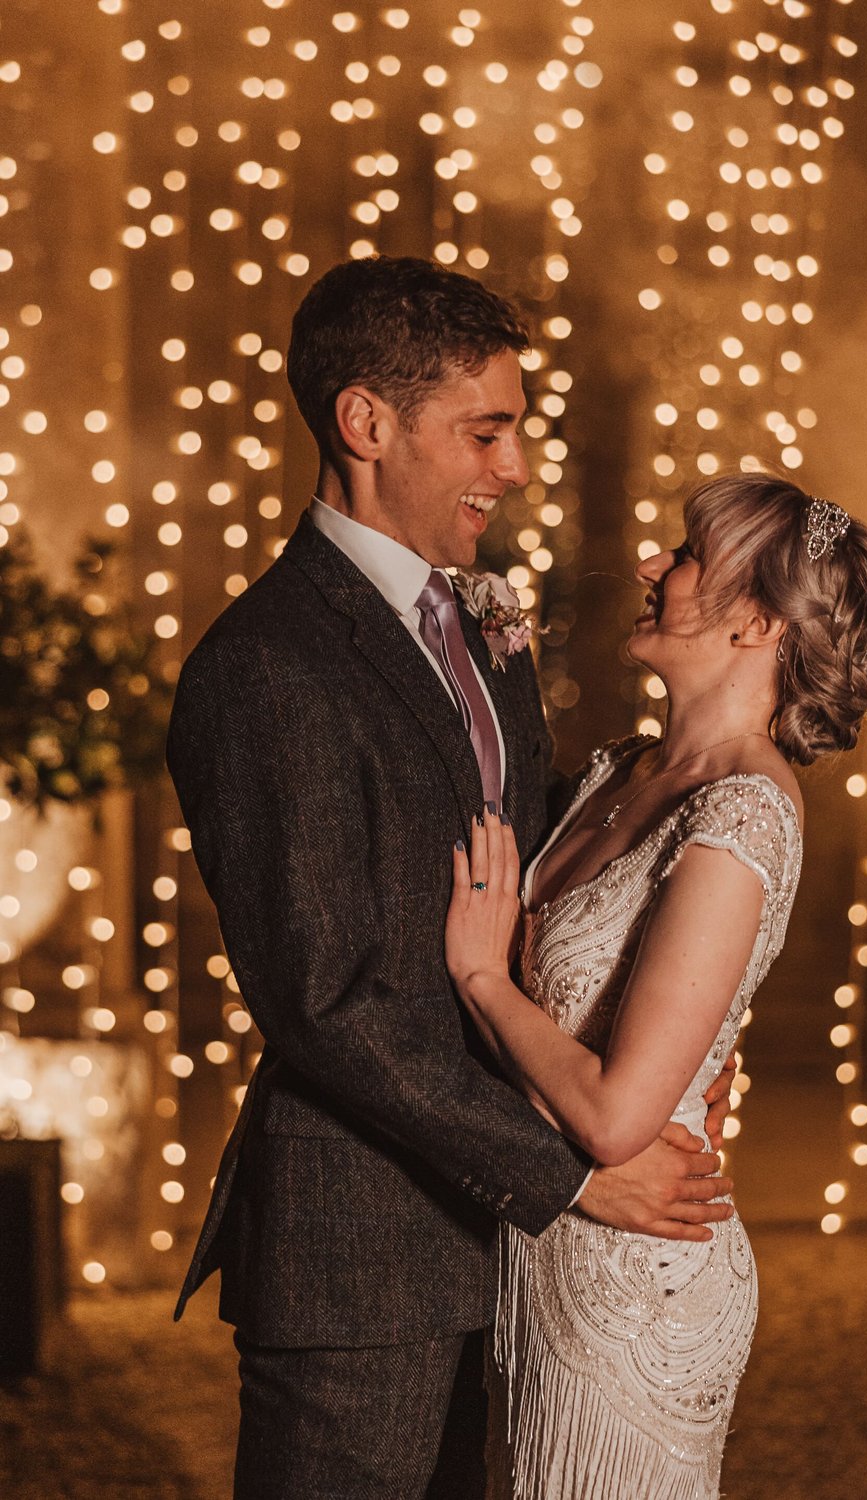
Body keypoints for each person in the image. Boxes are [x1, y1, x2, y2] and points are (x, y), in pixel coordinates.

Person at [165, 255, 737, 1500]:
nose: (515, 470)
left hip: (516, 1257)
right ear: (365, 422)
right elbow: (329, 1004)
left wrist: (657, 1053)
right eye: (485, 431)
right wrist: (577, 1172)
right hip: (363, 1259)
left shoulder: (481, 624)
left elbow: (535, 886)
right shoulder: (265, 667)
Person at [444, 474, 867, 1499]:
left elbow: (613, 1118)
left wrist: (481, 975)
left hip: (636, 1285)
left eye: (687, 554)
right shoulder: (619, 769)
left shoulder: (742, 817)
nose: (651, 566)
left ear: (756, 619)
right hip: (540, 1254)